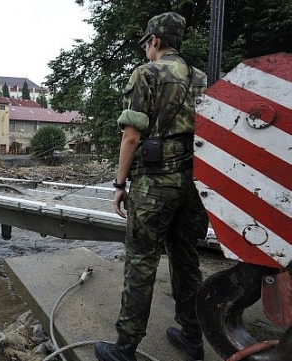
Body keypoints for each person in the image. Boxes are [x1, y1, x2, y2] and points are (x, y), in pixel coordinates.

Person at [94, 12, 209, 361]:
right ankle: (193, 337)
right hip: (194, 184)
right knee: (187, 261)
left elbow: (131, 136)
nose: (145, 48)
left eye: (146, 42)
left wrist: (118, 183)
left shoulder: (147, 74)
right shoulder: (202, 77)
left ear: (155, 40)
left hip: (155, 184)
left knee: (141, 263)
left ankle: (125, 348)